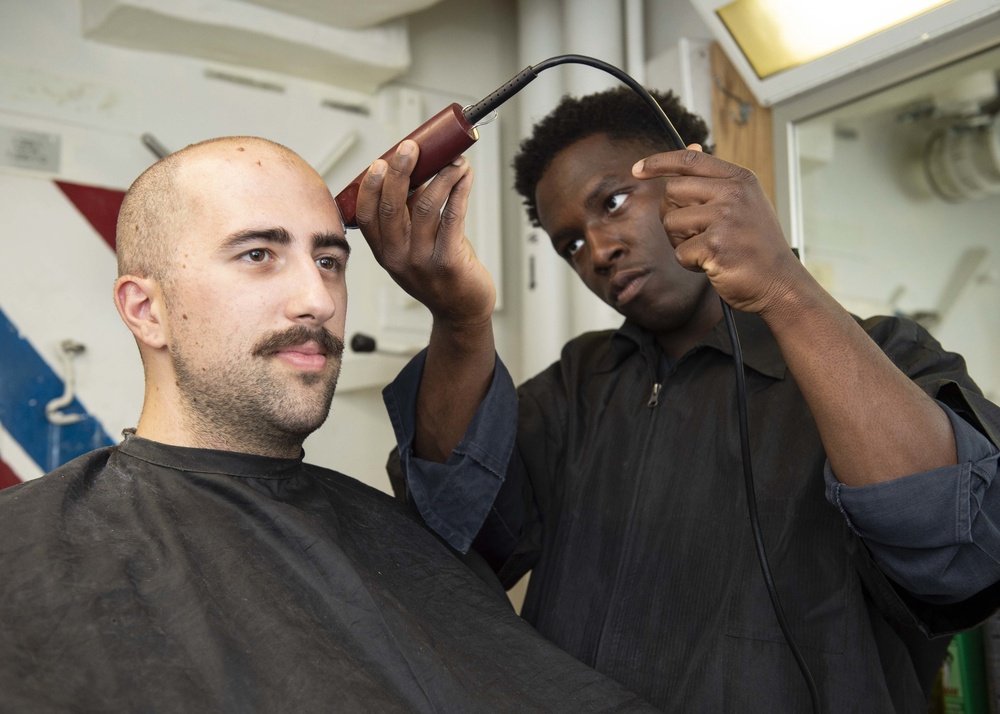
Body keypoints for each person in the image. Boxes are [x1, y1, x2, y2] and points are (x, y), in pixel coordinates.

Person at [383, 87, 1000, 712]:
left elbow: (965, 549)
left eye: (614, 202)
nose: (598, 252)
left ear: (691, 175)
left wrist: (781, 286)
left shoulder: (884, 352)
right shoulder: (579, 383)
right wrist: (460, 322)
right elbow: (450, 535)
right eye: (570, 243)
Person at [0, 136, 660, 713]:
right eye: (258, 254)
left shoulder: (398, 542)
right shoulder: (23, 553)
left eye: (329, 261)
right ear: (146, 310)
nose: (317, 300)